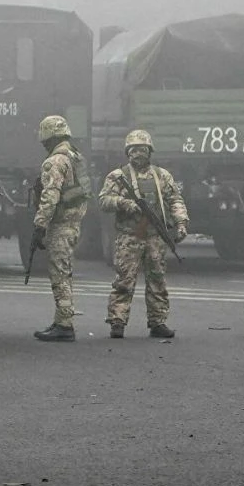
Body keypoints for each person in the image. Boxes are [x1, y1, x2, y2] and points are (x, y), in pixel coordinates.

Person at [97, 129, 187, 339]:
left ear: (150, 151)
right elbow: (103, 200)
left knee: (157, 280)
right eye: (134, 149)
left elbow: (175, 200)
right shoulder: (118, 177)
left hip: (155, 236)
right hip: (129, 236)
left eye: (142, 149)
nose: (138, 153)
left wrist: (181, 223)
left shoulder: (162, 176)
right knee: (124, 280)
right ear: (128, 152)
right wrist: (124, 203)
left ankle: (158, 321)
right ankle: (117, 321)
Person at [31, 115, 90, 342]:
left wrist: (40, 225)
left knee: (60, 274)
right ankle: (61, 320)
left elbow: (50, 196)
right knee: (64, 270)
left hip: (61, 224)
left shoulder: (55, 161)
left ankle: (65, 324)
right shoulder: (75, 156)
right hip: (74, 222)